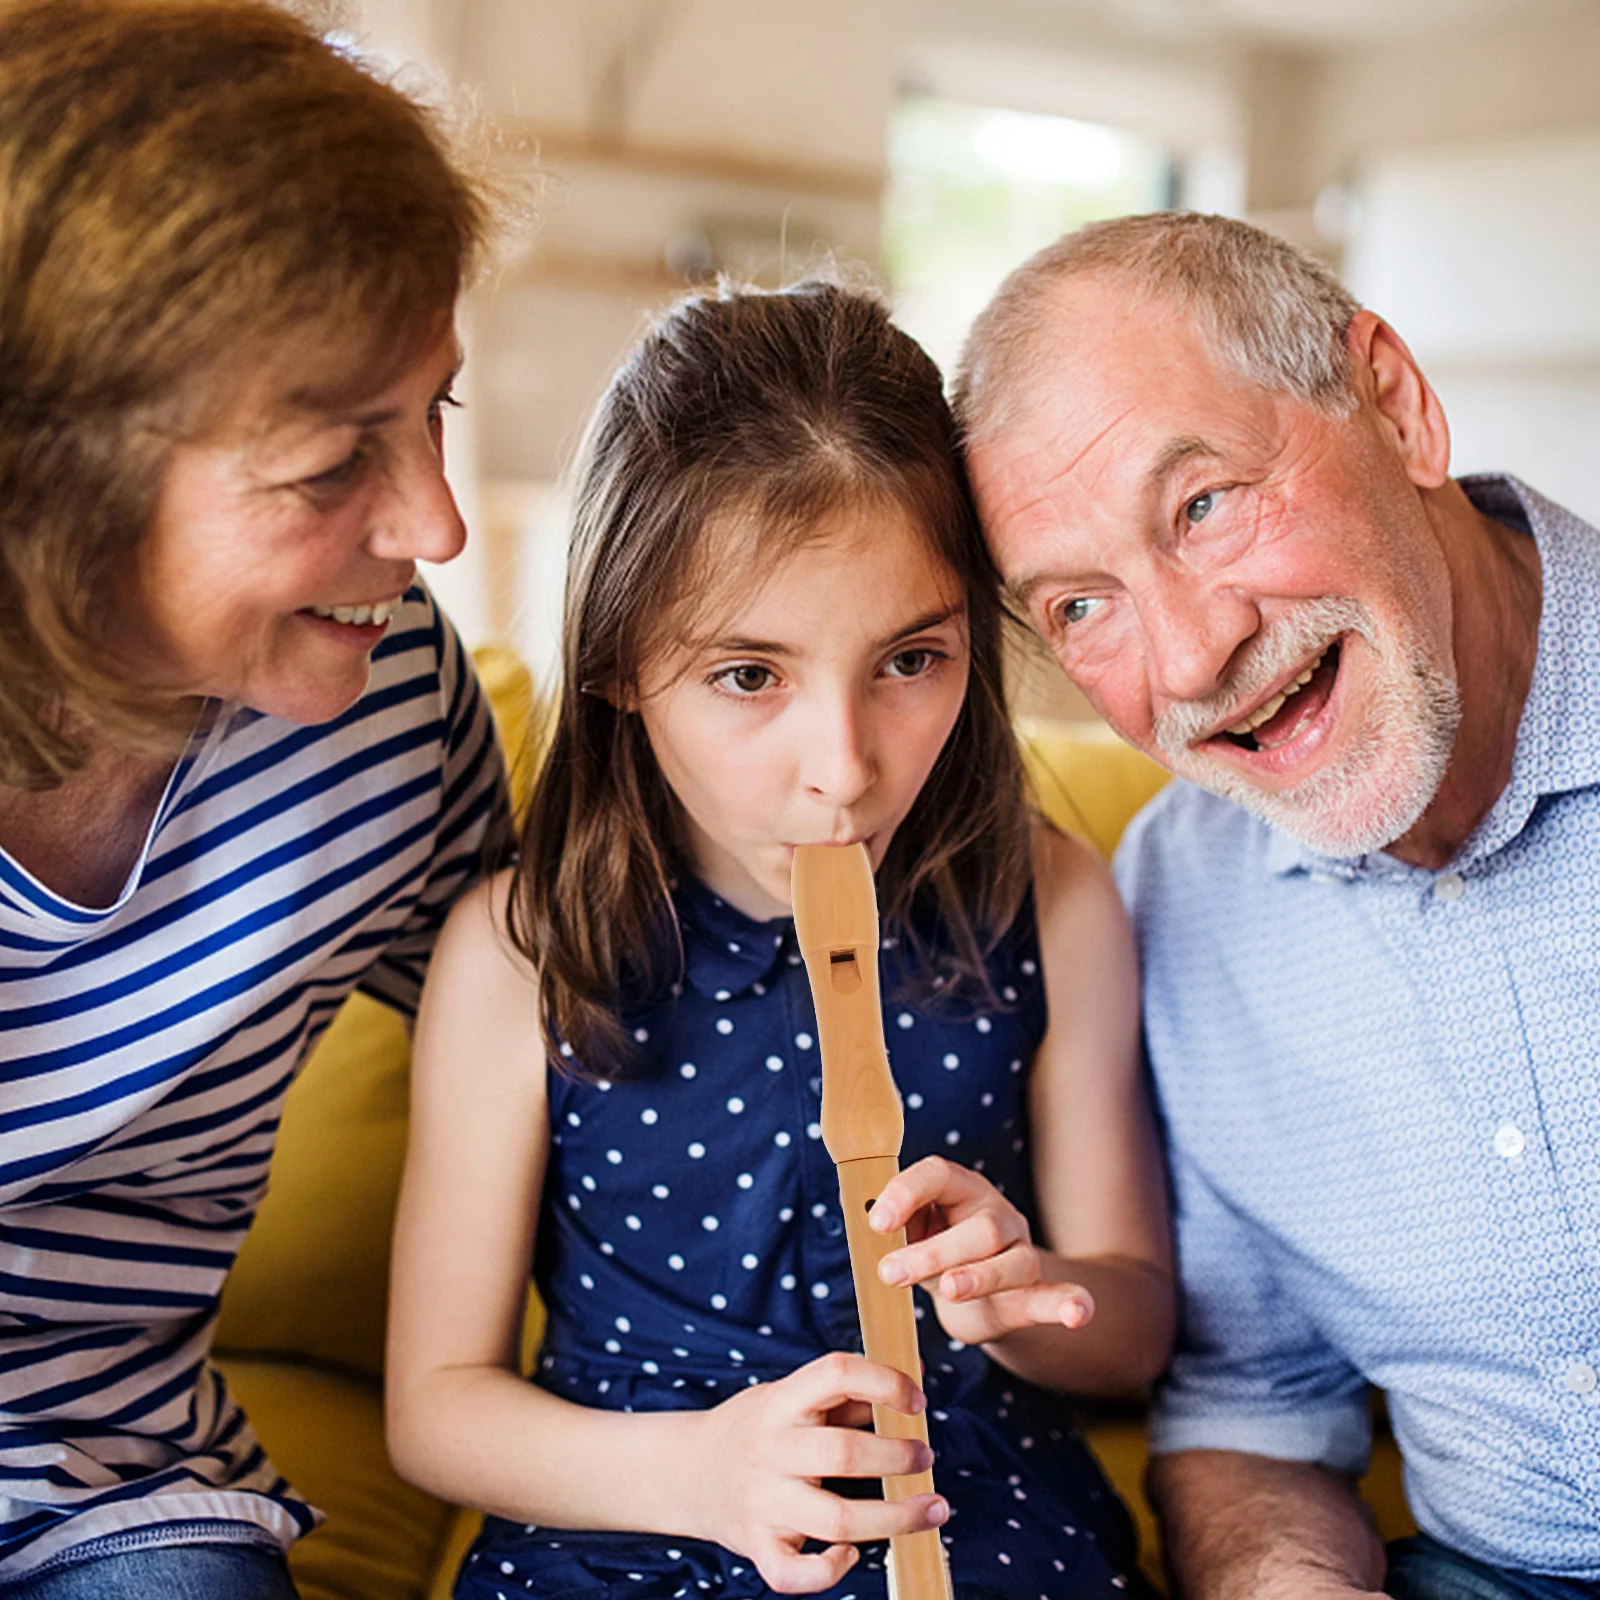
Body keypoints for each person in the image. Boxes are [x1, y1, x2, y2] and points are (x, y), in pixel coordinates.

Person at [385, 279, 1173, 1599]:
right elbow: (436, 1405)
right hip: (627, 1519)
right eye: (750, 675)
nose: (846, 767)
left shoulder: (1055, 903)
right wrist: (697, 1473)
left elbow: (1135, 1329)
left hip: (973, 1511)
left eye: (910, 659)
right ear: (622, 661)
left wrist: (1026, 1296)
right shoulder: (521, 951)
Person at [955, 209, 1600, 1600]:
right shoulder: (1179, 898)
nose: (1193, 658)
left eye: (1202, 505)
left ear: (1398, 409)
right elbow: (1257, 1407)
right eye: (1079, 607)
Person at [0, 2, 510, 1594]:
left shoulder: (390, 702)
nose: (434, 525)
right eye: (328, 463)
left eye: (438, 407)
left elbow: (600, 1047)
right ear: (49, 479)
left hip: (111, 1480)